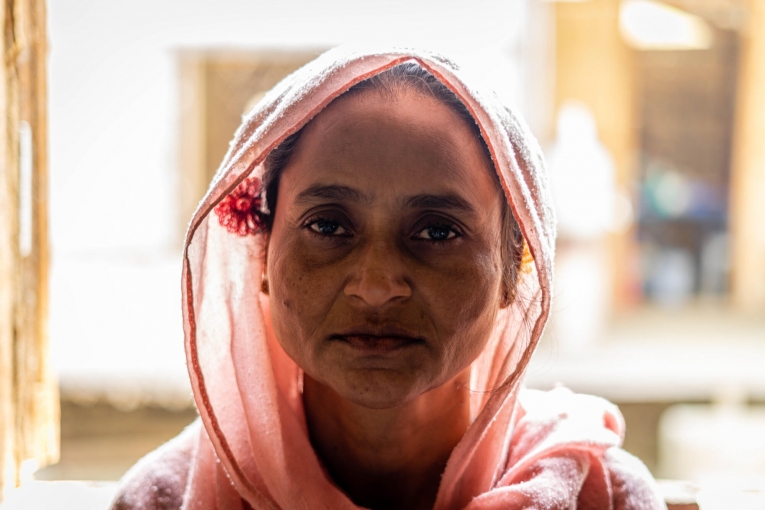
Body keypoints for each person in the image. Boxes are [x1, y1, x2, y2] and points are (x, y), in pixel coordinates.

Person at [111, 47, 666, 510]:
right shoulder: (163, 499)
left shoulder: (600, 494)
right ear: (261, 253)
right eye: (327, 225)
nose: (376, 286)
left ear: (513, 267)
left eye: (437, 232)